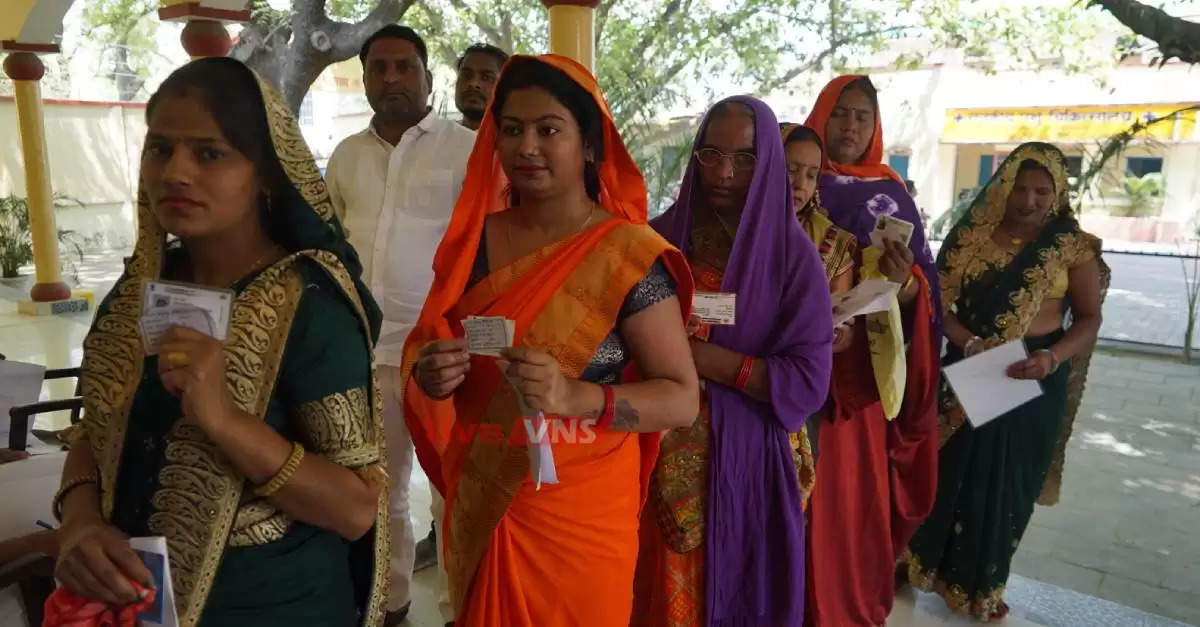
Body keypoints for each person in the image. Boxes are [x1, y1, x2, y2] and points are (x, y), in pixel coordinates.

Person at [50, 57, 386, 626]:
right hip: (139, 602)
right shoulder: (137, 290)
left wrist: (224, 419)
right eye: (160, 149)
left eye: (210, 153)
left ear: (264, 175)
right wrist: (80, 521)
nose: (176, 172)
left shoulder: (308, 305)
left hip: (274, 605)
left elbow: (355, 508)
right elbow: (95, 428)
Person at [400, 54, 699, 626]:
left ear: (589, 146)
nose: (527, 146)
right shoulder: (475, 241)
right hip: (486, 496)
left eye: (548, 129)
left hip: (580, 514)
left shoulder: (627, 255)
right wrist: (428, 370)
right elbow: (432, 338)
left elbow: (682, 399)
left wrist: (575, 397)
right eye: (511, 130)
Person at [633, 97, 833, 627]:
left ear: (767, 162)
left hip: (748, 462)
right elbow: (612, 341)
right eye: (711, 154)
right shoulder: (654, 240)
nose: (723, 172)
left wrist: (698, 357)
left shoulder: (793, 258)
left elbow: (807, 381)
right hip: (652, 453)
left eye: (743, 159)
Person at [900, 143, 1105, 621]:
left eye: (1042, 191)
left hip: (1030, 382)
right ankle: (915, 565)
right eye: (1021, 188)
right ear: (1003, 187)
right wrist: (970, 344)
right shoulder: (972, 236)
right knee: (947, 476)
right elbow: (936, 305)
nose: (1029, 201)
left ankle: (983, 585)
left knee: (1004, 490)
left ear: (1057, 193)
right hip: (967, 375)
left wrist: (1052, 357)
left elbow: (1090, 317)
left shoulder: (1071, 246)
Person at [324, 24, 475, 624]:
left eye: (404, 67)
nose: (391, 78)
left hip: (444, 355)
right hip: (365, 351)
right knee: (380, 489)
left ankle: (461, 606)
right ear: (364, 80)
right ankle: (390, 604)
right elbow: (331, 243)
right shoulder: (345, 156)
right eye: (379, 68)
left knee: (451, 492)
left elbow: (484, 244)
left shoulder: (463, 149)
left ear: (428, 78)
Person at [783, 120, 939, 627]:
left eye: (811, 174)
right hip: (751, 389)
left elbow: (855, 313)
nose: (800, 183)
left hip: (819, 391)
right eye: (789, 171)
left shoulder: (840, 235)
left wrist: (844, 331)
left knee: (819, 513)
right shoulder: (728, 231)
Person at [455, 42, 508, 130]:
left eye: (486, 77)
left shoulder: (513, 141)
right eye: (466, 75)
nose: (473, 83)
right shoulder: (439, 136)